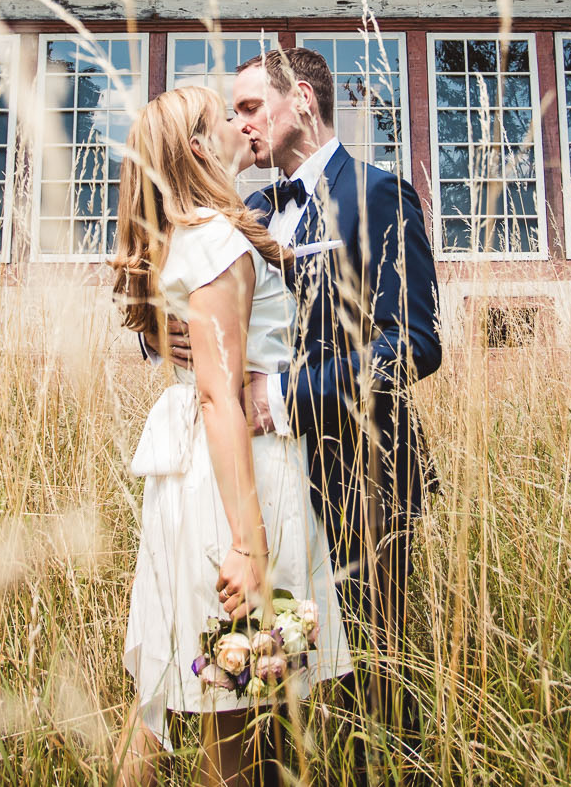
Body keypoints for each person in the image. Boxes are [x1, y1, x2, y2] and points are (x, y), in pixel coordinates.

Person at [154, 46, 442, 754]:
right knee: (273, 689)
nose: (240, 123)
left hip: (361, 477)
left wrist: (285, 392)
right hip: (270, 485)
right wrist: (165, 333)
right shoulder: (245, 207)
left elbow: (414, 342)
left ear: (303, 102)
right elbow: (195, 302)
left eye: (251, 107)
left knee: (377, 680)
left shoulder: (379, 193)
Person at [113, 85, 353, 787]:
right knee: (241, 696)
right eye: (224, 114)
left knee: (220, 696)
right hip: (238, 475)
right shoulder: (215, 239)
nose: (237, 122)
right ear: (197, 145)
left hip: (209, 471)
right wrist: (249, 543)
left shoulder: (198, 231)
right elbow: (221, 396)